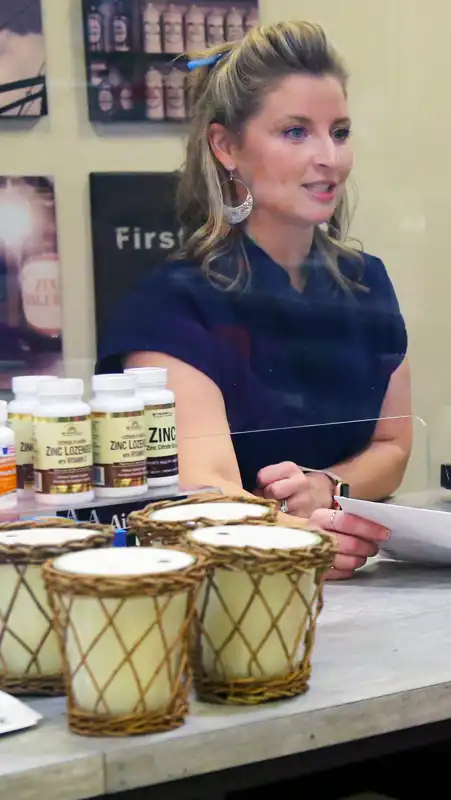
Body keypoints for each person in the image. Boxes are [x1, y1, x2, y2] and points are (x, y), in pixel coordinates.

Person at [96, 21, 411, 579]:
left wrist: (327, 487)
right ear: (225, 147)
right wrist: (305, 540)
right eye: (295, 132)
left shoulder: (366, 285)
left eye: (339, 132)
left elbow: (391, 448)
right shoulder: (171, 306)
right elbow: (205, 486)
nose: (327, 157)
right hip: (224, 596)